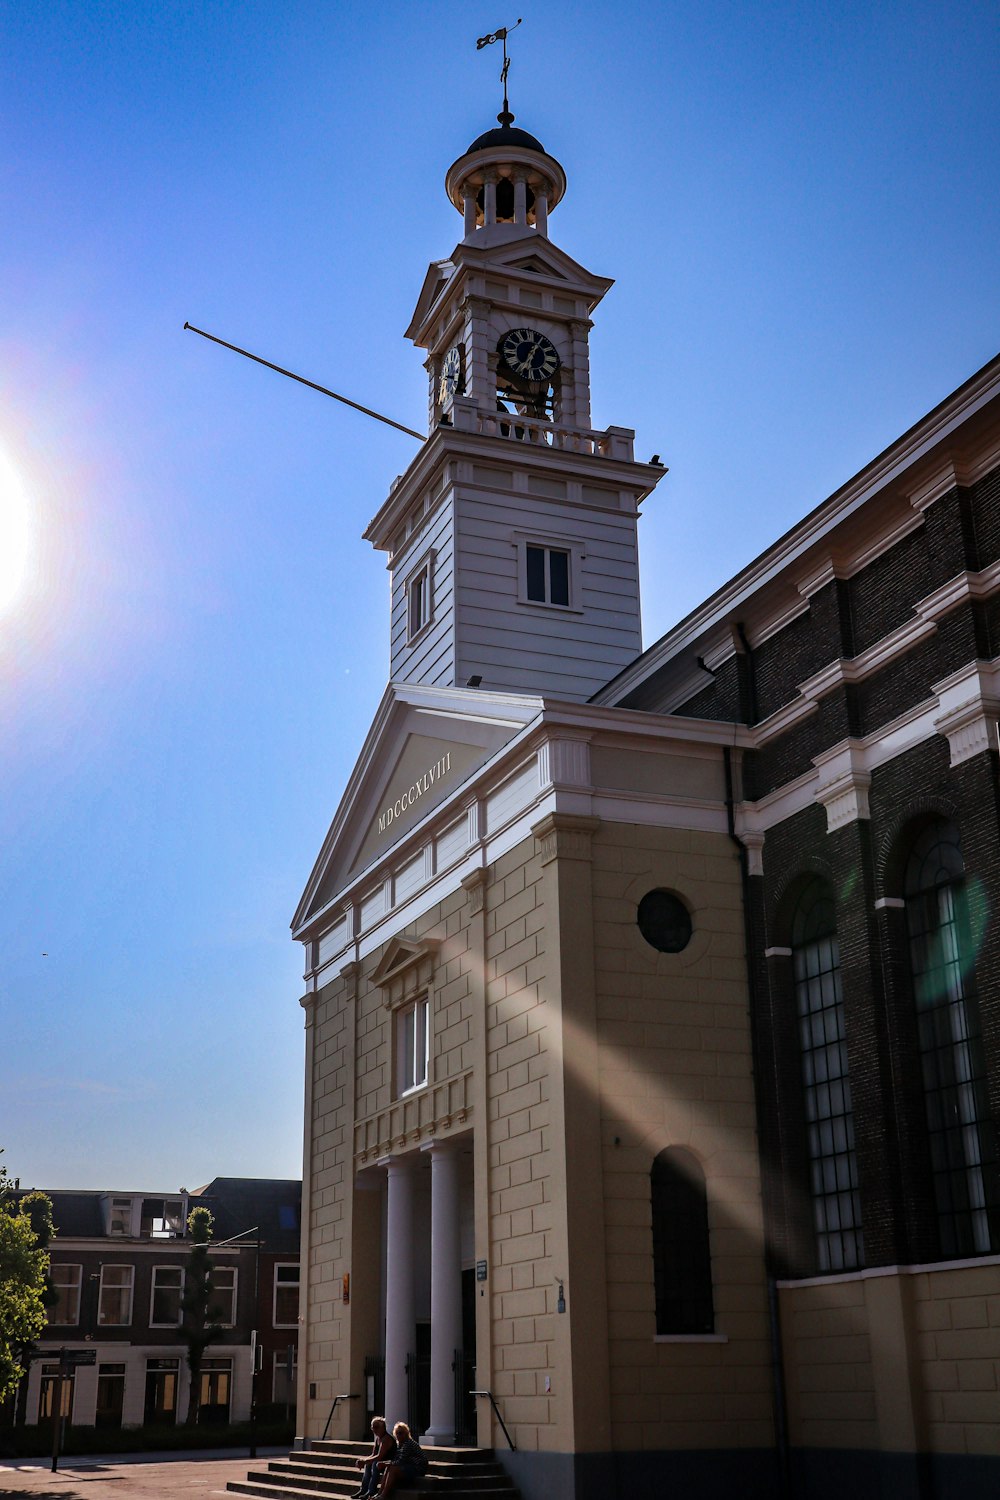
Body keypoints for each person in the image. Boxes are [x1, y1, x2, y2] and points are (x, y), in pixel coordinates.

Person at [371, 1421, 427, 1497]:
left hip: (417, 1468)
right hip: (408, 1466)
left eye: (400, 1433)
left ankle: (383, 1495)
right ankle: (379, 1493)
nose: (398, 1435)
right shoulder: (399, 1444)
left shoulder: (408, 1443)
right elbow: (395, 1460)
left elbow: (401, 1461)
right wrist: (386, 1463)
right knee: (388, 1467)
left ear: (406, 1433)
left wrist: (386, 1463)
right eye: (397, 1433)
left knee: (392, 1468)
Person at [352, 1416, 396, 1497]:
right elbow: (373, 1454)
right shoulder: (378, 1439)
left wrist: (364, 1461)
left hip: (388, 1463)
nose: (374, 1430)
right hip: (380, 1462)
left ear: (383, 1427)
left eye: (376, 1427)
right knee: (369, 1464)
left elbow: (379, 1456)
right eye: (373, 1427)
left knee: (374, 1464)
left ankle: (371, 1491)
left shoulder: (386, 1439)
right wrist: (363, 1460)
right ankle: (363, 1490)